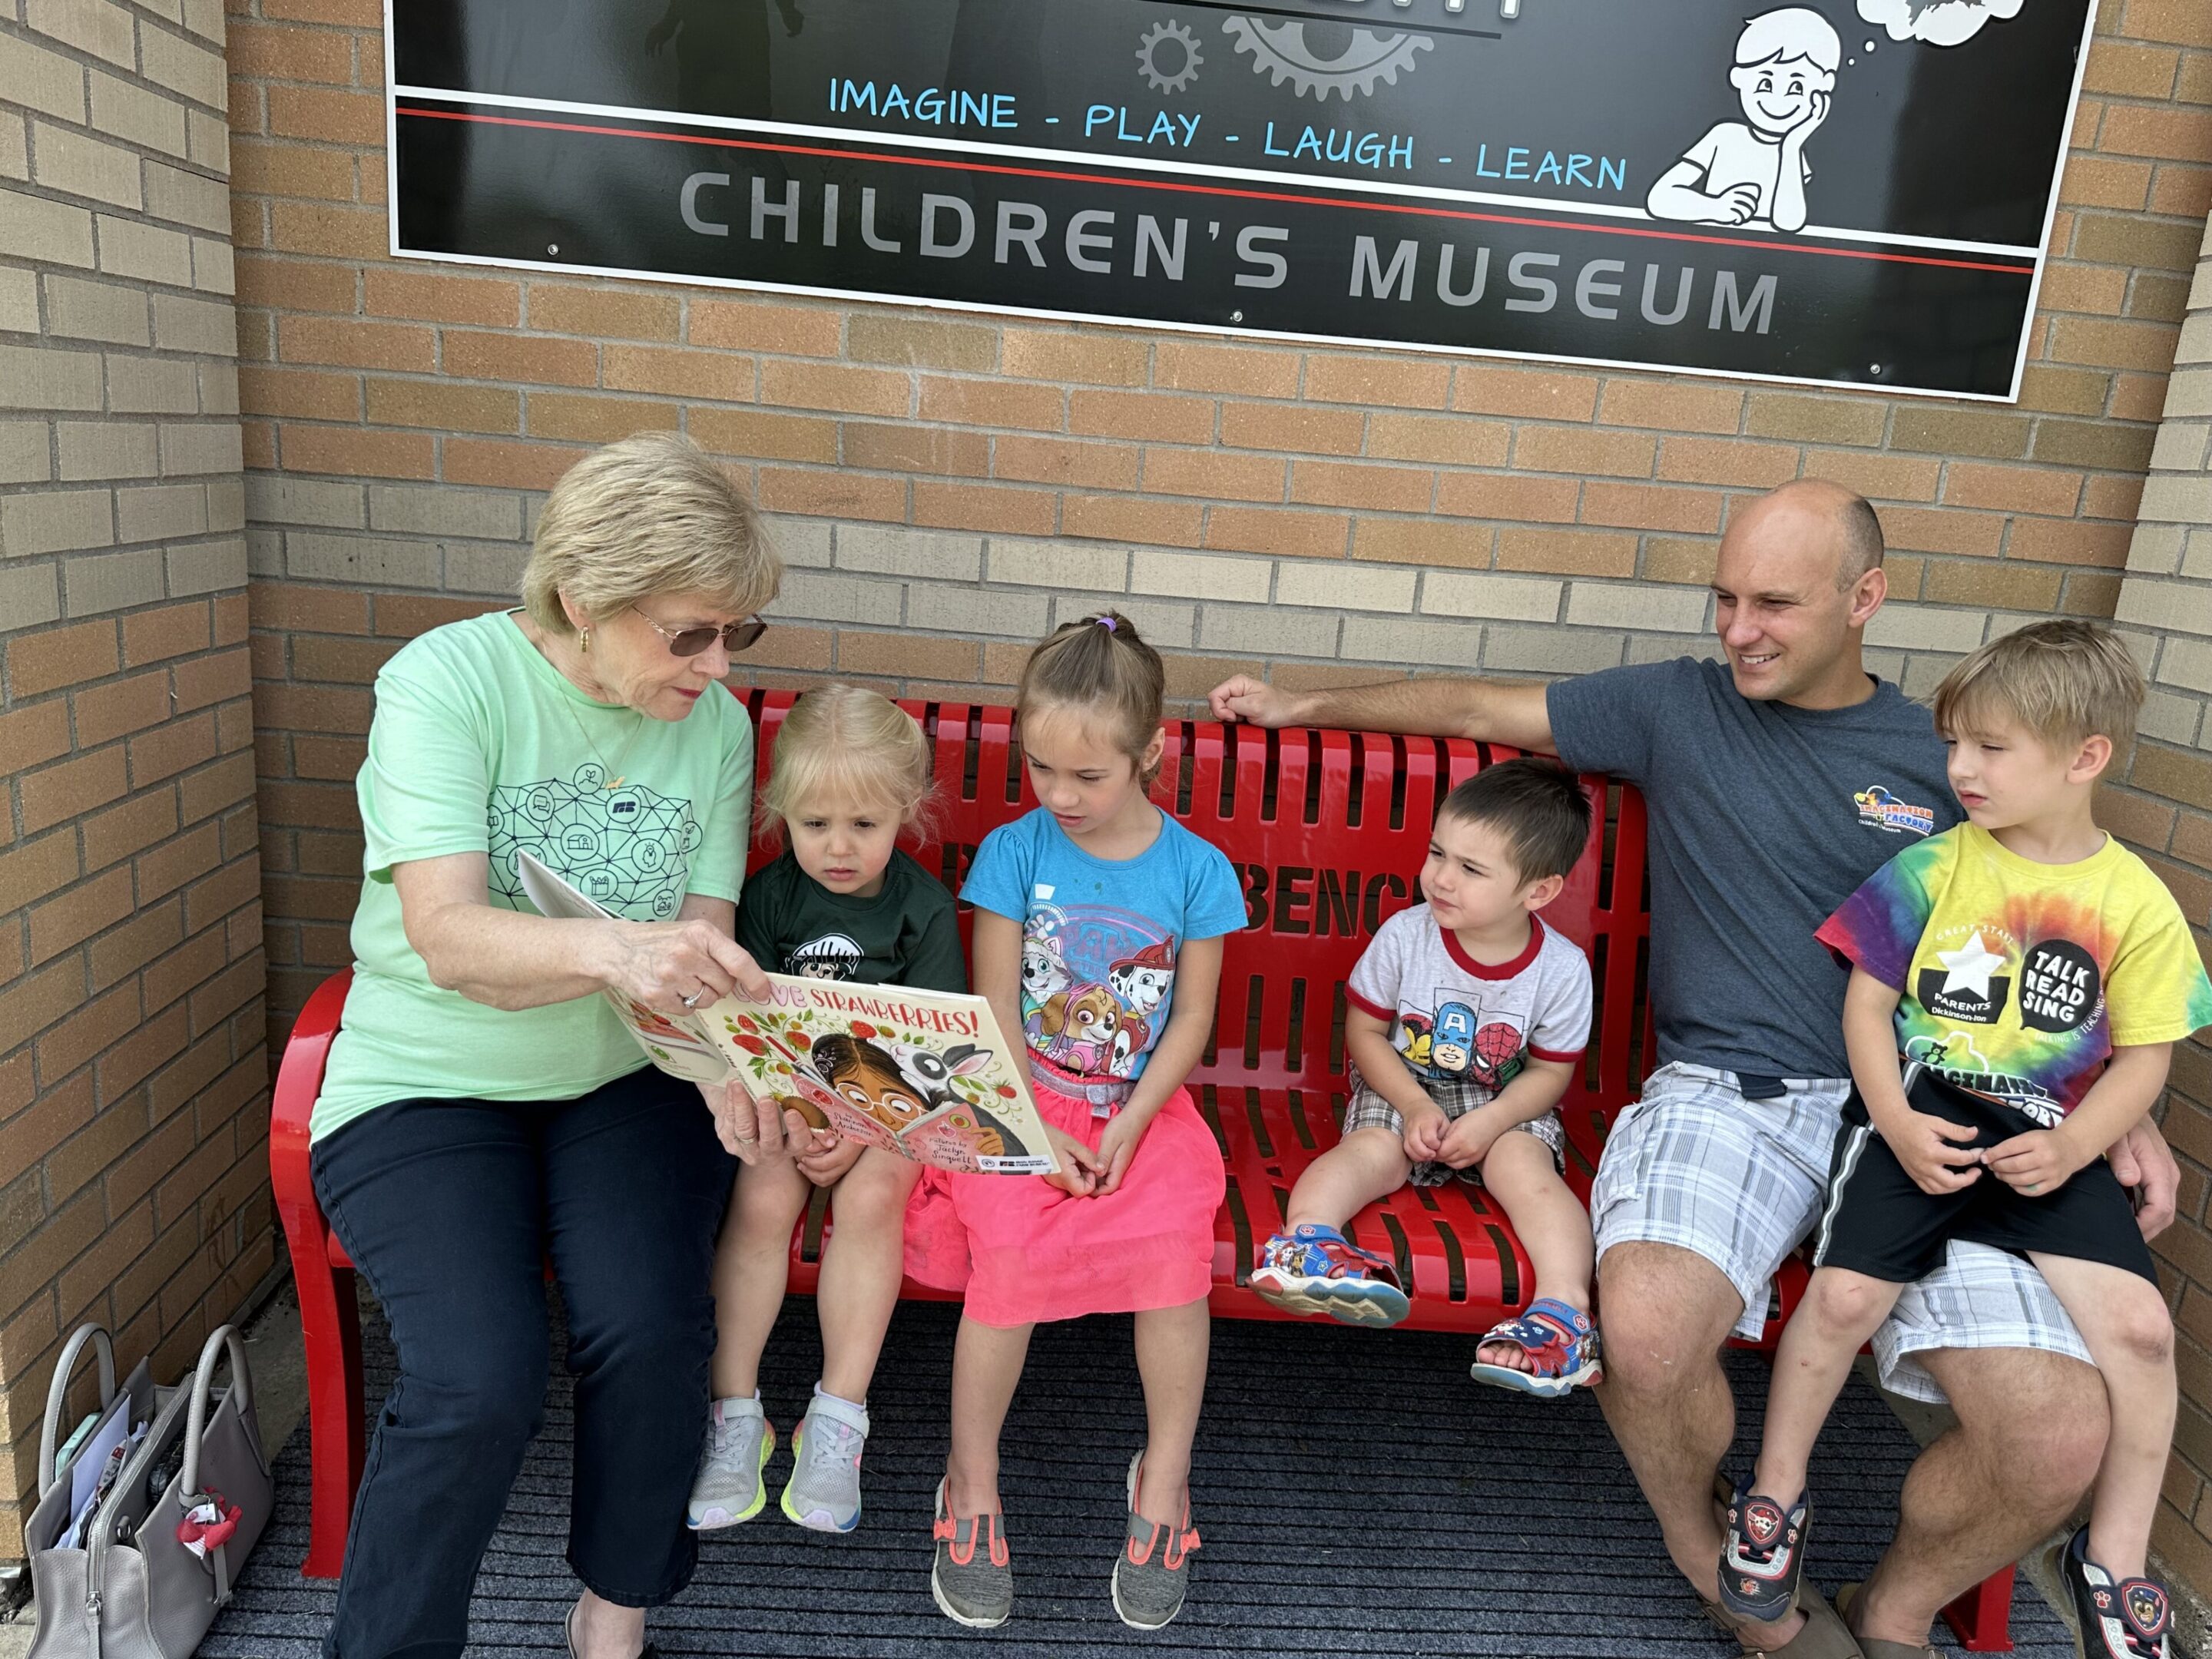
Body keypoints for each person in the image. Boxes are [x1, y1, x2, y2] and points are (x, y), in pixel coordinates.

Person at [1209, 478, 2181, 1659]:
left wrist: (2106, 1100)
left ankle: (1897, 1606)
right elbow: (1476, 699)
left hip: (1945, 1113)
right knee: (1655, 1334)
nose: (1737, 630)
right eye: (1723, 598)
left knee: (2055, 1437)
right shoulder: (1678, 708)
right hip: (1736, 1092)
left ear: (1864, 599)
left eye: (1773, 602)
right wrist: (1305, 696)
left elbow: (2067, 924)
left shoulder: (1955, 760)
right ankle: (1707, 1550)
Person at [308, 432, 802, 1659]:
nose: (716, 664)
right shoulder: (447, 680)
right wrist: (614, 953)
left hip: (623, 1075)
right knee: (478, 1379)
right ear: (582, 598)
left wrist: (736, 1061)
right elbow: (449, 937)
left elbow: (699, 939)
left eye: (738, 633)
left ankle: (616, 1608)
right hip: (425, 1079)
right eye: (689, 633)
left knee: (649, 1325)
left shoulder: (719, 728)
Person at [1722, 623, 2210, 1659]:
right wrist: (1893, 1121)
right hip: (1923, 1114)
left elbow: (2145, 1061)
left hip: (2050, 1142)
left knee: (2142, 1333)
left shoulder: (2139, 907)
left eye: (1992, 749)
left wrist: (2079, 1148)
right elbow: (1868, 1008)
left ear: (2086, 758)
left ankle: (2113, 1566)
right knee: (1846, 1298)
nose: (1960, 769)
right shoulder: (1933, 868)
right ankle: (1775, 1493)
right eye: (1956, 744)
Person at [905, 613, 1247, 1633]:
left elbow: (1190, 1020)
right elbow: (997, 1009)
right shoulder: (1016, 854)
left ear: (1153, 754)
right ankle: (970, 1487)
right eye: (1041, 768)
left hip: (1141, 1105)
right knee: (1005, 1246)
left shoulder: (1196, 871)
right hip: (1021, 1098)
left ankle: (1164, 1481)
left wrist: (1135, 1122)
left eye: (1087, 777)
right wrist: (1033, 1128)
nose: (1060, 796)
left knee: (1177, 1238)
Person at [688, 685, 966, 1536]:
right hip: (791, 1095)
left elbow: (939, 1050)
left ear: (907, 814)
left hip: (891, 1108)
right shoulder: (769, 899)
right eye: (815, 826)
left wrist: (856, 1129)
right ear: (779, 814)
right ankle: (736, 1414)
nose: (839, 849)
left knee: (875, 1198)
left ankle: (838, 1418)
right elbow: (753, 1030)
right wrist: (802, 1117)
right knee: (763, 1197)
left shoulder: (921, 907)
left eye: (864, 826)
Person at [1250, 760, 1604, 1399]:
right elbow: (1364, 1036)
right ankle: (1305, 1245)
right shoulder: (1407, 936)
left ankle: (1564, 1315)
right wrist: (1412, 1104)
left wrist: (1494, 1121)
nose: (1440, 877)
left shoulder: (1560, 968)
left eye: (1471, 869)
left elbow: (1551, 1070)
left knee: (1528, 1171)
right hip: (1402, 1081)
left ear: (1539, 892)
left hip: (1503, 1097)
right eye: (1438, 852)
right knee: (1371, 1152)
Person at [1645, 6, 1838, 233]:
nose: (1779, 98)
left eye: (1797, 87)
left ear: (1822, 90)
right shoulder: (1724, 136)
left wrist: (1792, 145)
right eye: (1766, 83)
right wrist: (1715, 207)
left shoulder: (1793, 154)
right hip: (1707, 253)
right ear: (1738, 78)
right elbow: (1659, 199)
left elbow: (1789, 223)